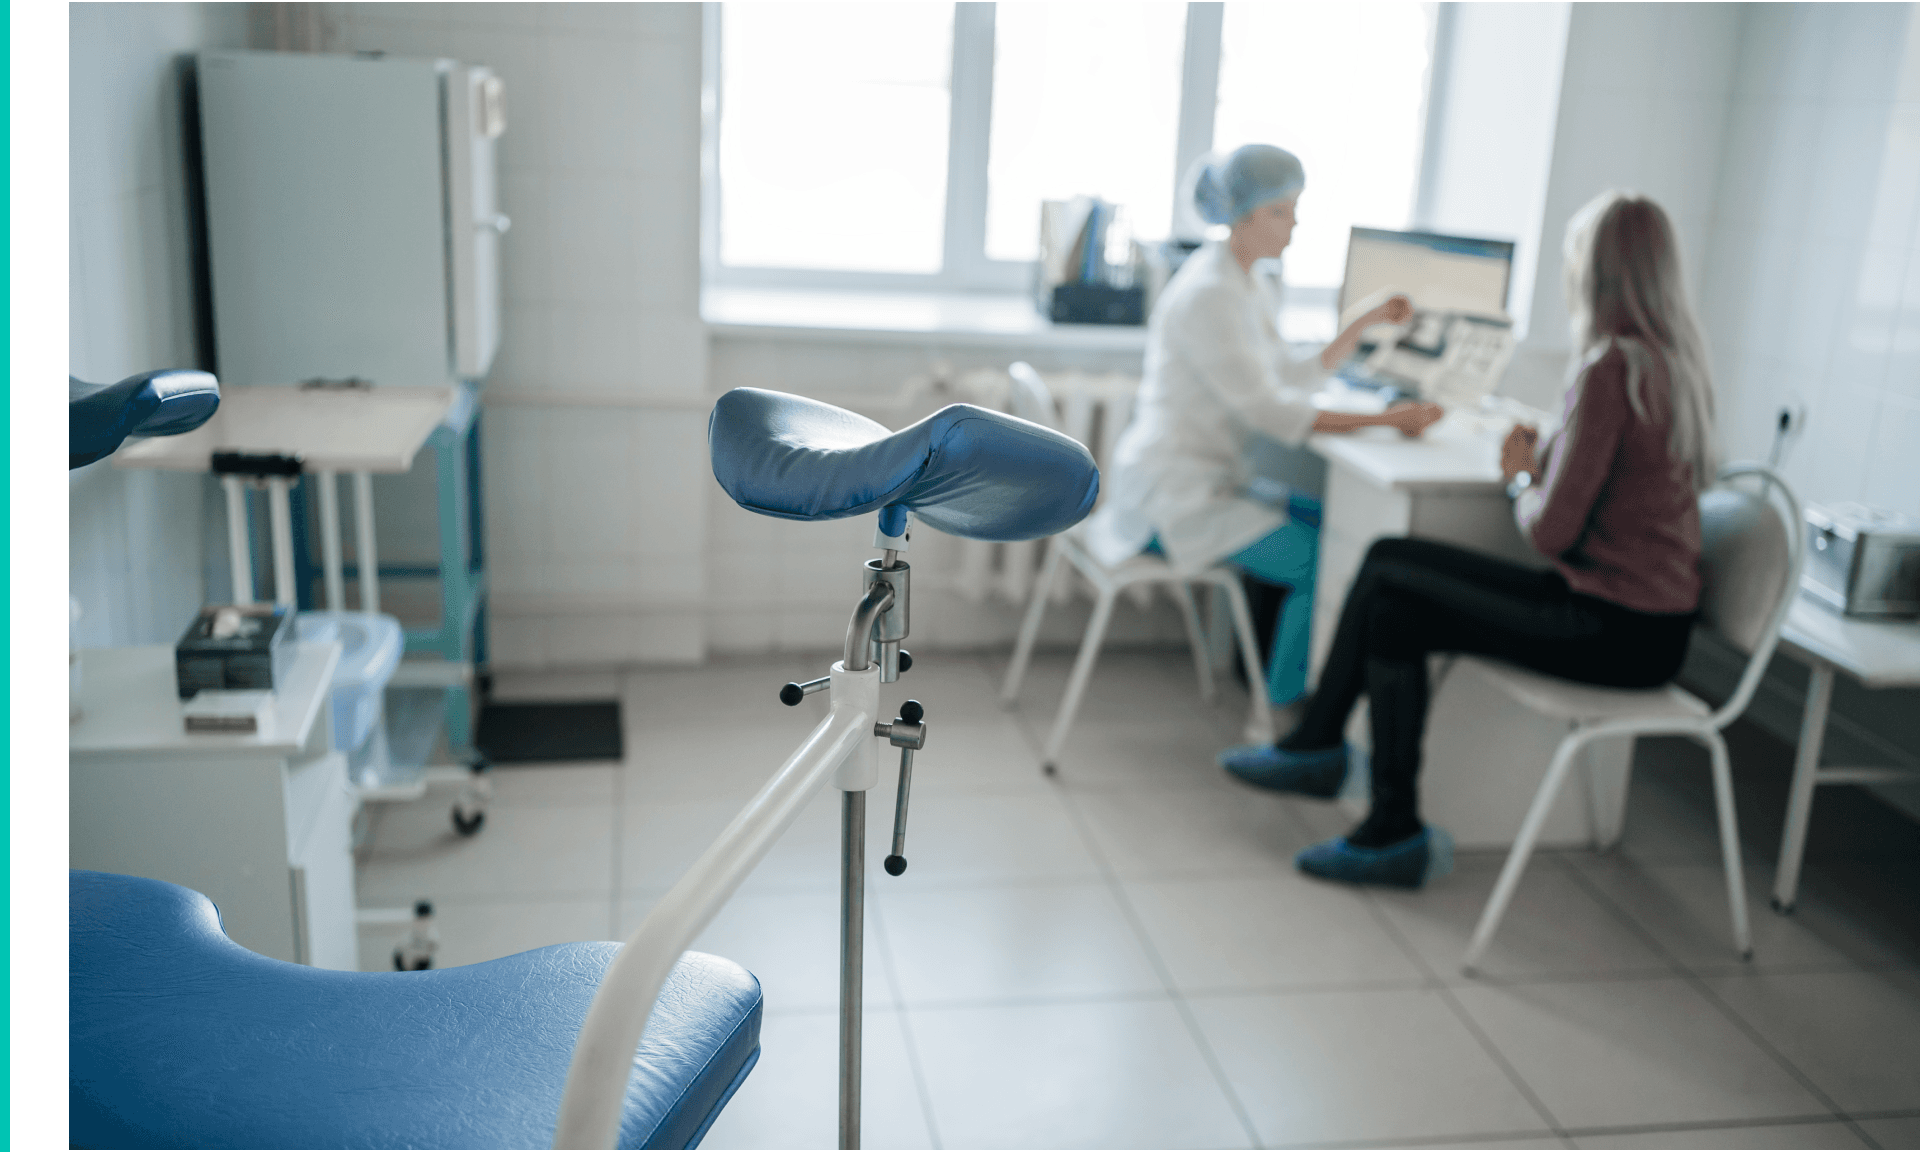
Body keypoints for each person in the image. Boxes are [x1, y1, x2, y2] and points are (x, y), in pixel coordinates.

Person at [1219, 189, 1720, 888]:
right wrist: (1553, 455)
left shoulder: (1609, 368)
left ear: (1594, 275)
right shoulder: (1674, 366)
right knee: (1391, 567)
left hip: (1609, 626)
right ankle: (1338, 767)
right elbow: (1623, 488)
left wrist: (1521, 476)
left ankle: (1349, 780)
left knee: (1393, 587)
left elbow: (1550, 531)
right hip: (1650, 627)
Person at [1084, 143, 1443, 707]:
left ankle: (1289, 698)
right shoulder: (1209, 295)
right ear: (1243, 215)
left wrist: (1362, 322)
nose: (1296, 224)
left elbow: (1286, 373)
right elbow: (1272, 411)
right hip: (1173, 498)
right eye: (1283, 210)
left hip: (1208, 479)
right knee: (1324, 561)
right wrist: (1388, 419)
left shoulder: (1245, 281)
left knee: (1336, 524)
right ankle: (1282, 714)